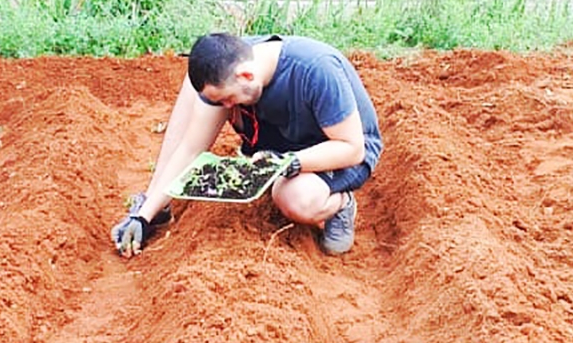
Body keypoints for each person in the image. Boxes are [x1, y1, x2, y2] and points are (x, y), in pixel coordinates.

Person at [111, 32, 382, 258]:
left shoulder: (315, 70)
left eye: (228, 100)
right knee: (195, 89)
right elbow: (191, 149)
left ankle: (341, 204)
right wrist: (144, 215)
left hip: (338, 150)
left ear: (246, 76)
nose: (226, 109)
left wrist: (288, 163)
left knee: (295, 198)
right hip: (281, 142)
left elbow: (352, 147)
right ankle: (159, 206)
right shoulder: (232, 73)